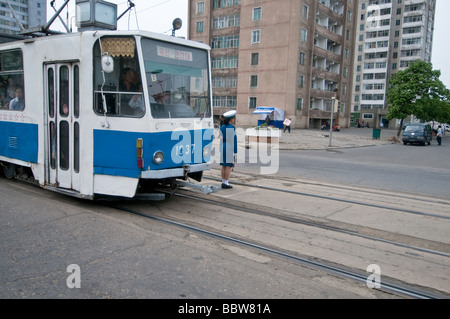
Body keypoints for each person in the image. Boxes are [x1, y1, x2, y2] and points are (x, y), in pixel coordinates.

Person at [220, 110, 237, 189]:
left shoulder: (222, 127)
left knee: (223, 165)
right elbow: (234, 140)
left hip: (223, 146)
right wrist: (235, 152)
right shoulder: (232, 128)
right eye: (233, 118)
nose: (234, 120)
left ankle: (223, 182)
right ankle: (226, 183)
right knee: (228, 166)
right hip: (229, 147)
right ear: (231, 119)